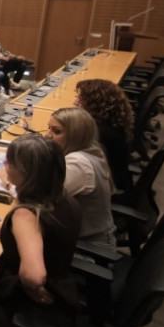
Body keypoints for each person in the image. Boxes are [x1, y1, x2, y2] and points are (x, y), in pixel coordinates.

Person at [0, 134, 81, 327]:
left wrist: (30, 285)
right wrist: (10, 234)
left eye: (10, 163)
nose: (5, 166)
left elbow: (34, 275)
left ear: (25, 173)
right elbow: (49, 236)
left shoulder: (26, 216)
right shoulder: (63, 197)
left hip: (29, 318)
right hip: (64, 298)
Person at [45, 107, 117, 255]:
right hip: (86, 237)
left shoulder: (78, 164)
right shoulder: (92, 148)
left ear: (75, 136)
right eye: (49, 128)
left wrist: (9, 181)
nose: (47, 135)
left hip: (87, 249)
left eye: (56, 131)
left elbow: (42, 199)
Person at [75, 79, 135, 201]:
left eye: (80, 99)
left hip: (107, 188)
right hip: (117, 178)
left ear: (95, 104)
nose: (75, 102)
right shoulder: (111, 122)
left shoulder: (98, 133)